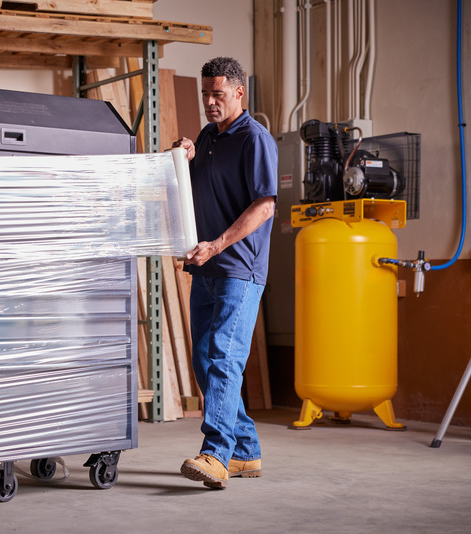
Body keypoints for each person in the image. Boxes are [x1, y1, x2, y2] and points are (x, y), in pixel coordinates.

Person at [173, 56, 278, 489]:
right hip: (207, 267)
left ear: (239, 93)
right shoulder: (208, 137)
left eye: (218, 94)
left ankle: (216, 454)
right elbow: (199, 185)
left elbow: (265, 205)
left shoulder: (256, 139)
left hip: (239, 268)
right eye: (205, 94)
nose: (210, 102)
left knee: (223, 356)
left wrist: (218, 244)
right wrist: (184, 158)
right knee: (204, 359)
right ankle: (247, 452)